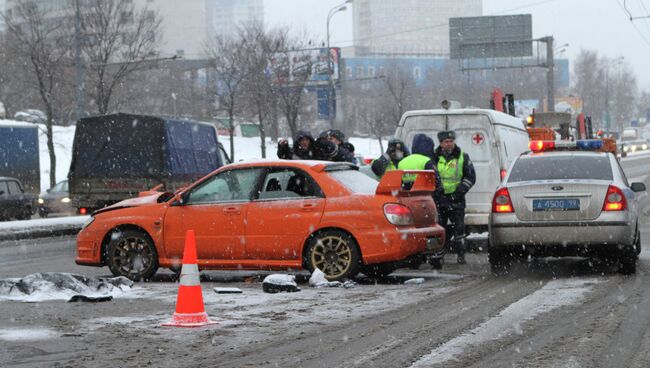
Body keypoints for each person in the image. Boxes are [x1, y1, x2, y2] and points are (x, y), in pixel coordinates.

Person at [433, 130, 476, 264]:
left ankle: (461, 254)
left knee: (459, 229)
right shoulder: (434, 158)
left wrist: (459, 191)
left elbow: (471, 177)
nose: (449, 144)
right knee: (440, 228)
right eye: (446, 142)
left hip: (457, 199)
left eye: (451, 141)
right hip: (440, 199)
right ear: (441, 143)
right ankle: (439, 255)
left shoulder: (463, 156)